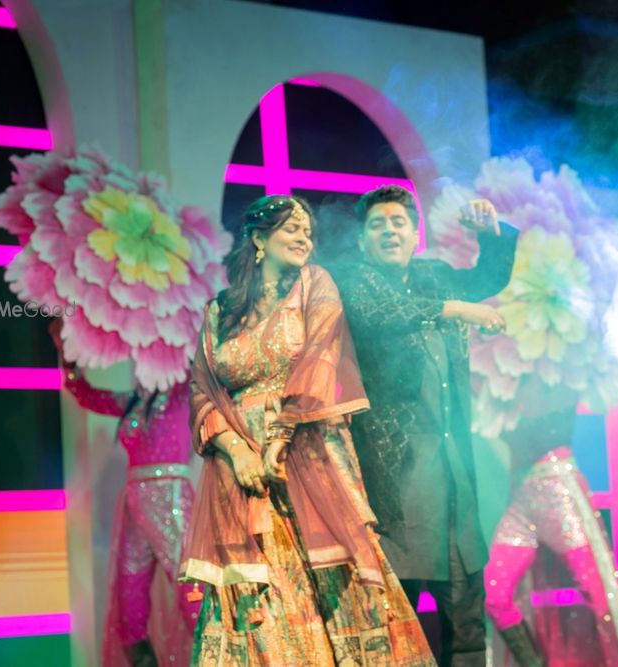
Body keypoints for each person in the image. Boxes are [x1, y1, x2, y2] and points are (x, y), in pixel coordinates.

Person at [180, 195, 435, 666]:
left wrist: (279, 437)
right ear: (258, 239)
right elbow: (201, 391)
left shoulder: (315, 285)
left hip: (307, 456)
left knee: (337, 587)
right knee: (262, 600)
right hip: (241, 476)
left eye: (308, 231)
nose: (304, 238)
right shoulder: (220, 311)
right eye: (291, 228)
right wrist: (238, 451)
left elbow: (321, 358)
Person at [330, 185, 518, 666]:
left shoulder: (434, 275)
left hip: (452, 467)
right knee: (400, 623)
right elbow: (378, 315)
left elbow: (490, 276)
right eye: (377, 225)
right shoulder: (354, 280)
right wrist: (455, 309)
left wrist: (490, 232)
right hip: (398, 472)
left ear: (415, 235)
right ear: (362, 240)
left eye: (398, 222)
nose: (389, 231)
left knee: (467, 616)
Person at [50, 318, 199, 667]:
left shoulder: (183, 390)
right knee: (130, 606)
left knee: (193, 592)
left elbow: (197, 360)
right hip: (135, 505)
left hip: (170, 499)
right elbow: (87, 394)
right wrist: (66, 356)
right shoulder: (135, 401)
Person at [485, 396, 618, 667]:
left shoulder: (555, 377)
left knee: (602, 597)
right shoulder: (494, 380)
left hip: (558, 491)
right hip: (521, 496)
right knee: (494, 594)